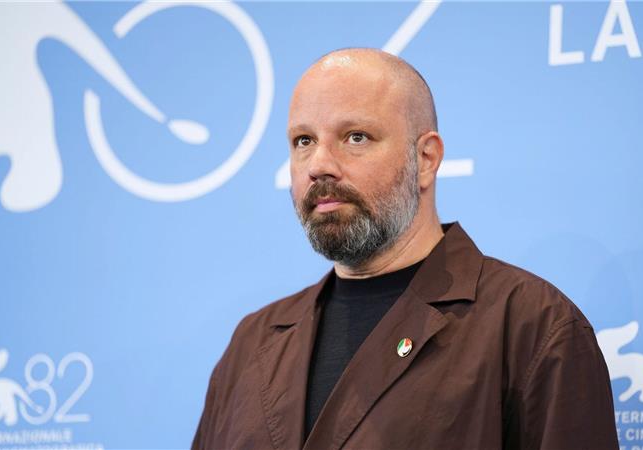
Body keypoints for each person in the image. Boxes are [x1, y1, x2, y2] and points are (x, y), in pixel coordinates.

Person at [192, 48, 618, 450]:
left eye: (355, 137)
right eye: (304, 141)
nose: (319, 165)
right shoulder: (252, 343)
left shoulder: (532, 326)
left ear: (426, 159)